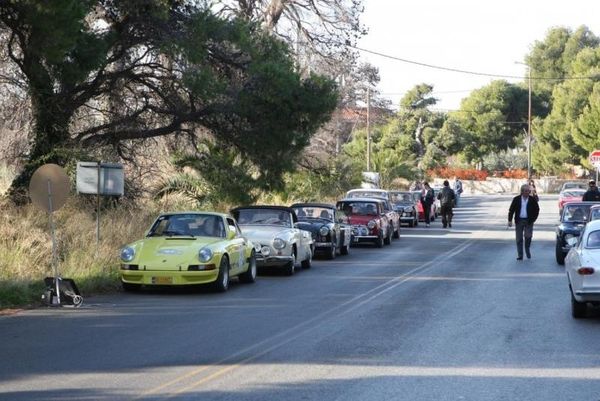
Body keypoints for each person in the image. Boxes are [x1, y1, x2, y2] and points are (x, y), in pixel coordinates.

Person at [508, 184, 540, 260]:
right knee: (519, 239)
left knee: (528, 236)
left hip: (529, 221)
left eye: (528, 191)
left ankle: (527, 248)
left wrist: (533, 219)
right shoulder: (516, 199)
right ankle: (520, 255)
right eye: (525, 191)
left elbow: (537, 210)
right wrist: (510, 220)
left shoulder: (532, 200)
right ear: (522, 191)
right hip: (519, 221)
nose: (527, 193)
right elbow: (511, 210)